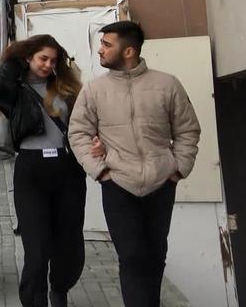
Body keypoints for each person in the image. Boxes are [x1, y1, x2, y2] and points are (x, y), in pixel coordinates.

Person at [68, 21, 200, 307]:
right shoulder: (94, 90)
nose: (100, 50)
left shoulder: (167, 84)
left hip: (161, 184)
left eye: (107, 44)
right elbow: (77, 133)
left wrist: (178, 169)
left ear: (129, 51)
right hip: (118, 184)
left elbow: (188, 130)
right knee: (131, 256)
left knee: (155, 255)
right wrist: (100, 171)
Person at [0, 34, 84, 307]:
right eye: (43, 58)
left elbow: (83, 125)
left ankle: (60, 289)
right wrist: (17, 58)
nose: (48, 65)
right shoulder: (13, 91)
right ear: (28, 57)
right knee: (37, 248)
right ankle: (35, 300)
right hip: (31, 172)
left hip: (67, 170)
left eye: (53, 60)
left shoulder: (66, 88)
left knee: (69, 243)